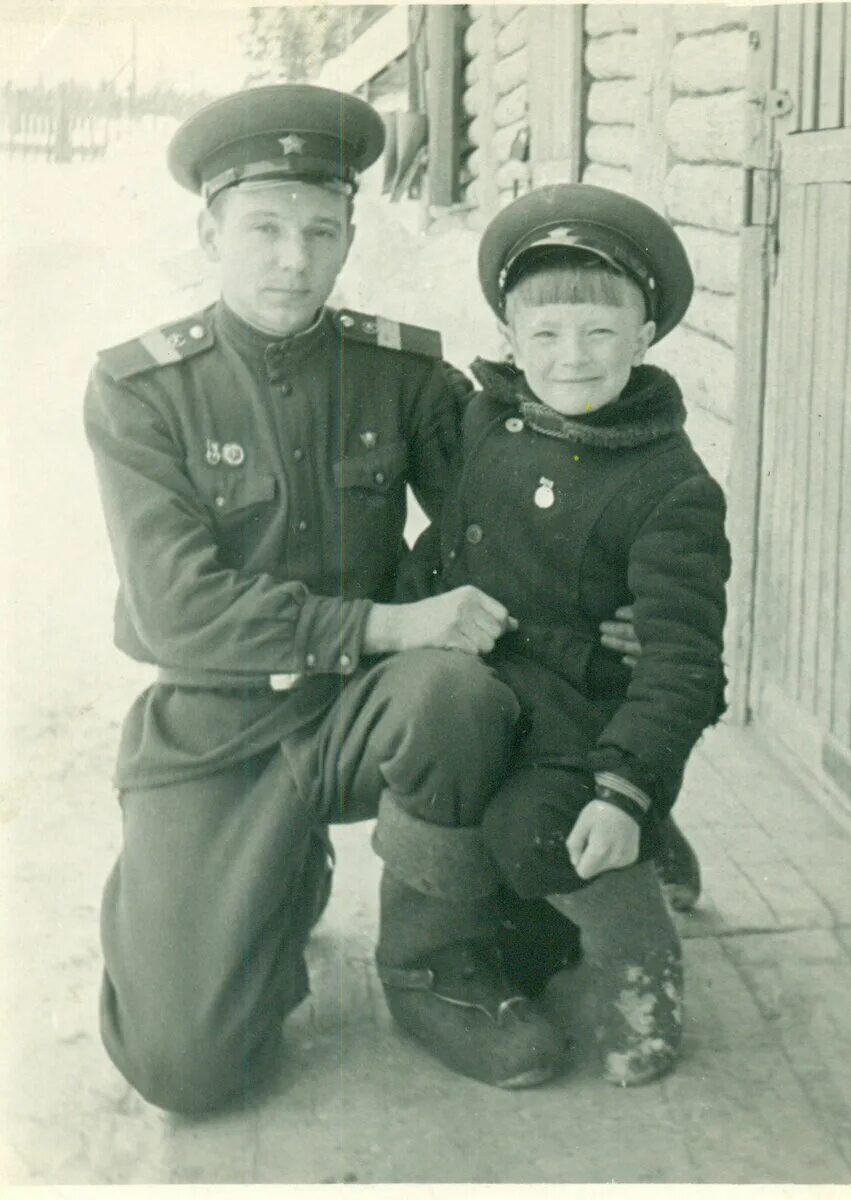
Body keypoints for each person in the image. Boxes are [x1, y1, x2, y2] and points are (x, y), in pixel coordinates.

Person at [84, 84, 655, 1112]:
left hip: (372, 714)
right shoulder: (143, 392)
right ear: (209, 231)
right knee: (185, 1069)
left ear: (350, 235)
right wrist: (394, 621)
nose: (292, 259)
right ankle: (265, 884)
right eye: (262, 229)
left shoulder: (402, 375)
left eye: (319, 230)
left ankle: (433, 965)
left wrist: (619, 597)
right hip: (213, 729)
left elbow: (523, 521)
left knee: (458, 693)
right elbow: (177, 609)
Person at [383, 184, 731, 1087]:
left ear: (644, 336)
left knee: (535, 829)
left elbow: (685, 665)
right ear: (508, 340)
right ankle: (632, 852)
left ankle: (641, 960)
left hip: (590, 709)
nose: (570, 359)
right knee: (464, 788)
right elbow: (450, 535)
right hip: (498, 681)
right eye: (544, 335)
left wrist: (622, 789)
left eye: (600, 333)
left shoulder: (671, 485)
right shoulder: (487, 417)